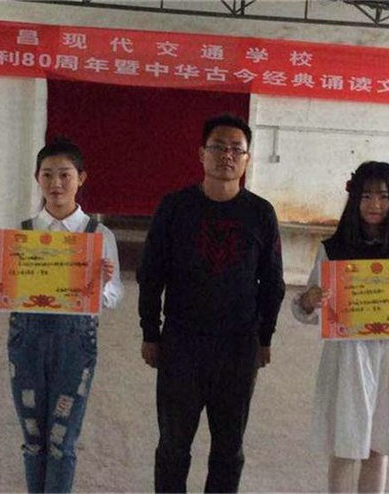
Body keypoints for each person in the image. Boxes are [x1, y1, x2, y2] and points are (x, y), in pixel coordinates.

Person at [137, 113, 285, 493]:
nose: (227, 155)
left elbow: (272, 282)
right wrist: (150, 332)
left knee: (228, 449)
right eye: (218, 146)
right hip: (181, 344)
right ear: (201, 154)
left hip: (238, 347)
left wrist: (264, 337)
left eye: (237, 149)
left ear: (247, 159)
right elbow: (151, 274)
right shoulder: (174, 208)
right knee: (173, 446)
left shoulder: (260, 213)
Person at [0, 137, 124, 493]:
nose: (56, 183)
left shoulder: (98, 236)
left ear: (81, 178)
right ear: (37, 178)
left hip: (76, 344)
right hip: (26, 342)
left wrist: (103, 283)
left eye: (65, 174)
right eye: (48, 174)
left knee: (61, 440)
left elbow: (114, 295)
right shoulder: (20, 235)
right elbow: (7, 293)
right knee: (33, 437)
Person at [292, 161, 389, 493]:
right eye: (366, 196)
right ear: (354, 199)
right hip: (346, 357)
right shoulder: (332, 250)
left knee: (378, 445)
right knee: (344, 443)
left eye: (383, 196)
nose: (374, 205)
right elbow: (307, 306)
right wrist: (308, 300)